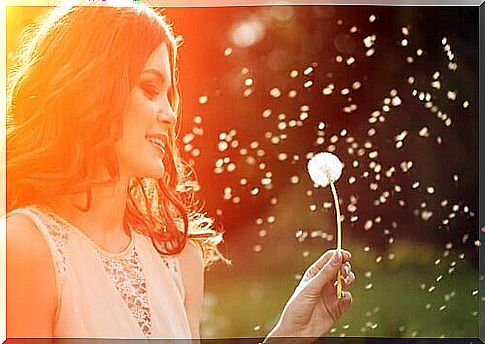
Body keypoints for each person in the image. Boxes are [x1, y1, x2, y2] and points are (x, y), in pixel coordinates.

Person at [5, 0, 355, 340]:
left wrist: (290, 335)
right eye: (150, 88)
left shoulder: (179, 257)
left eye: (169, 95)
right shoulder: (24, 248)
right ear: (89, 91)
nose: (170, 114)